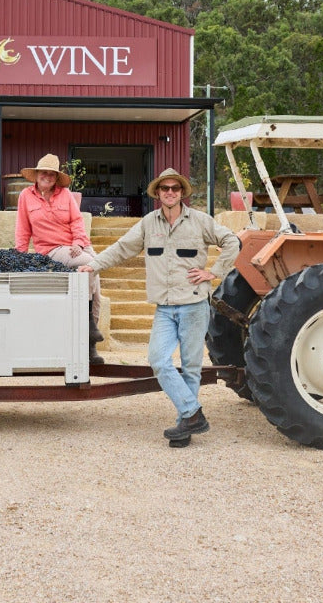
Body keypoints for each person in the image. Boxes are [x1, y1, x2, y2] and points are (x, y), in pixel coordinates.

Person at [79, 168, 241, 445]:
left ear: (181, 193)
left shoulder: (200, 221)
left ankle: (185, 426)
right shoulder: (147, 224)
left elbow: (232, 241)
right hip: (164, 308)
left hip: (193, 304)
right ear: (157, 193)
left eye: (175, 189)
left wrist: (213, 272)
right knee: (158, 360)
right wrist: (92, 266)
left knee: (191, 367)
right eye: (165, 188)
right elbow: (120, 248)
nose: (169, 192)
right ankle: (193, 413)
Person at [14, 153, 105, 363]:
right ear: (37, 175)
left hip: (75, 245)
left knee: (97, 281)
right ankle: (89, 330)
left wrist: (79, 242)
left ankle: (89, 346)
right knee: (89, 265)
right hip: (51, 249)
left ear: (56, 178)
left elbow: (76, 220)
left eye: (52, 174)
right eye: (43, 172)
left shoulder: (65, 195)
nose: (47, 176)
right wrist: (19, 256)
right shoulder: (25, 197)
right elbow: (22, 229)